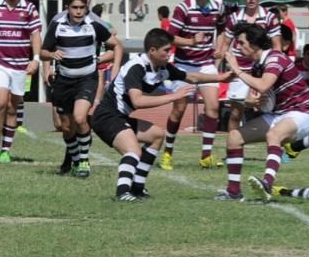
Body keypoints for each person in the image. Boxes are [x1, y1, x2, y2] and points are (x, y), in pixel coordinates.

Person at [91, 28, 230, 201]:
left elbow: (192, 77)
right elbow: (138, 101)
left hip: (120, 116)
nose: (169, 53)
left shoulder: (162, 67)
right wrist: (174, 96)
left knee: (157, 135)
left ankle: (138, 188)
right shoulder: (136, 67)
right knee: (133, 151)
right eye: (166, 50)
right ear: (152, 51)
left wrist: (222, 78)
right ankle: (122, 193)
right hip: (106, 117)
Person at [221, 24, 309, 202]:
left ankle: (267, 183)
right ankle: (233, 191)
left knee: (274, 134)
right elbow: (255, 96)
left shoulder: (275, 58)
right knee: (234, 137)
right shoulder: (258, 65)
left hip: (302, 113)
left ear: (254, 44)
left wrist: (236, 69)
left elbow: (264, 85)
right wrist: (249, 102)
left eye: (241, 43)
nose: (239, 47)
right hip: (279, 114)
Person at [41, 0, 123, 178]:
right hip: (63, 81)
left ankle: (84, 161)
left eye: (82, 8)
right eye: (75, 8)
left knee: (80, 118)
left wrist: (104, 59)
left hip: (87, 79)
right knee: (66, 126)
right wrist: (52, 55)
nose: (78, 11)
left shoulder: (94, 25)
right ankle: (75, 160)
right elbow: (43, 51)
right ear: (67, 8)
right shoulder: (58, 26)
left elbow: (115, 46)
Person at [161, 0, 227, 170]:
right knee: (179, 109)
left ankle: (206, 155)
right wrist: (191, 41)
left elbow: (223, 30)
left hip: (206, 63)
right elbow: (170, 37)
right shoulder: (184, 8)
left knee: (213, 107)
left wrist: (221, 48)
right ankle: (167, 152)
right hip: (183, 64)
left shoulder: (217, 7)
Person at [0, 0, 42, 163]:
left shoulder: (29, 8)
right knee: (0, 103)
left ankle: (5, 150)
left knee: (12, 107)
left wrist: (35, 59)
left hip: (20, 65)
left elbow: (35, 35)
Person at [218, 0, 282, 133]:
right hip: (239, 71)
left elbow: (277, 46)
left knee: (271, 111)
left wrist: (274, 69)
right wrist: (218, 68)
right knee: (235, 113)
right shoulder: (233, 18)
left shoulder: (269, 18)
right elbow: (225, 44)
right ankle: (232, 149)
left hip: (261, 71)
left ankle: (279, 147)